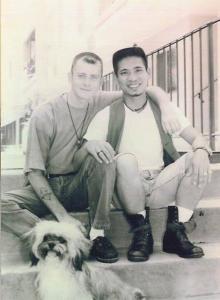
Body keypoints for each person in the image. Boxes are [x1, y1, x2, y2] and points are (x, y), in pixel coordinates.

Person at [1, 51, 177, 264]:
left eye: (93, 77)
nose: (87, 82)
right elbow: (35, 174)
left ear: (100, 81)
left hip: (85, 183)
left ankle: (97, 236)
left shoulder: (100, 100)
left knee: (102, 153)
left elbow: (145, 89)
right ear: (70, 77)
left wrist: (166, 107)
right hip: (51, 184)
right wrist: (64, 217)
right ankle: (52, 235)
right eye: (81, 76)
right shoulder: (45, 114)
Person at [84, 47, 212, 262]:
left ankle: (175, 229)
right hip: (126, 187)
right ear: (117, 78)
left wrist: (200, 150)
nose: (132, 78)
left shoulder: (164, 109)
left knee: (196, 158)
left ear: (148, 73)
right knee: (125, 159)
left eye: (138, 70)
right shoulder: (108, 113)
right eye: (124, 72)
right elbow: (87, 145)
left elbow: (196, 137)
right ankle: (141, 231)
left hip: (160, 184)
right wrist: (91, 145)